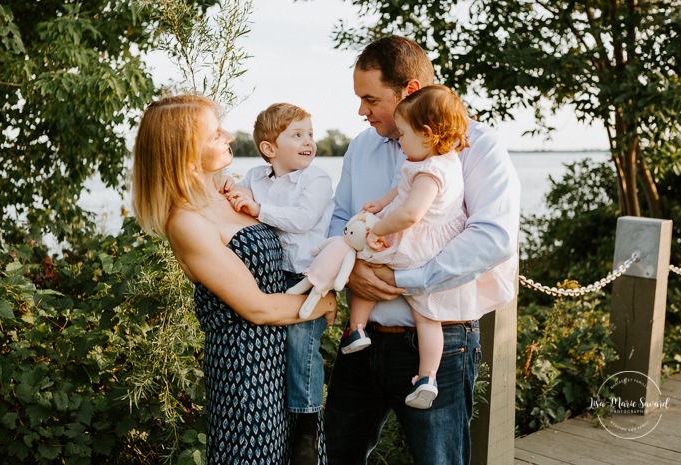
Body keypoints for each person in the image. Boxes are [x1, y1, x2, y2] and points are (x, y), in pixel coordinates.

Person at [324, 36, 520, 465]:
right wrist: (351, 271)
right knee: (334, 456)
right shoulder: (361, 147)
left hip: (441, 342)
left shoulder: (476, 146)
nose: (361, 112)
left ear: (409, 91)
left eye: (370, 99)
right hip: (361, 341)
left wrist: (404, 280)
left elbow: (493, 237)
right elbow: (339, 219)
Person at [131, 94, 336, 465]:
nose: (227, 135)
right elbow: (256, 308)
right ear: (185, 149)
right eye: (214, 133)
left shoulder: (236, 194)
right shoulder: (188, 222)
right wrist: (324, 301)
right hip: (246, 371)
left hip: (284, 359)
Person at [341, 84, 479, 410]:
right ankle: (427, 377)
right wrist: (380, 203)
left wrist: (377, 229)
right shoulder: (439, 161)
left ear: (428, 134)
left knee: (365, 262)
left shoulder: (429, 171)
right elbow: (398, 193)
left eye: (402, 134)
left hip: (414, 244)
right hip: (432, 250)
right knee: (427, 316)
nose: (399, 141)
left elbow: (409, 213)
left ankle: (356, 328)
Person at [223, 103, 334, 464]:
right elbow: (233, 192)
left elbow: (302, 220)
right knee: (275, 349)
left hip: (308, 276)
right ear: (270, 149)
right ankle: (279, 417)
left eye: (310, 135)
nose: (309, 142)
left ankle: (306, 423)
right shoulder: (256, 176)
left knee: (302, 345)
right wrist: (226, 185)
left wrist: (259, 211)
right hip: (272, 277)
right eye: (297, 135)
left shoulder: (315, 179)